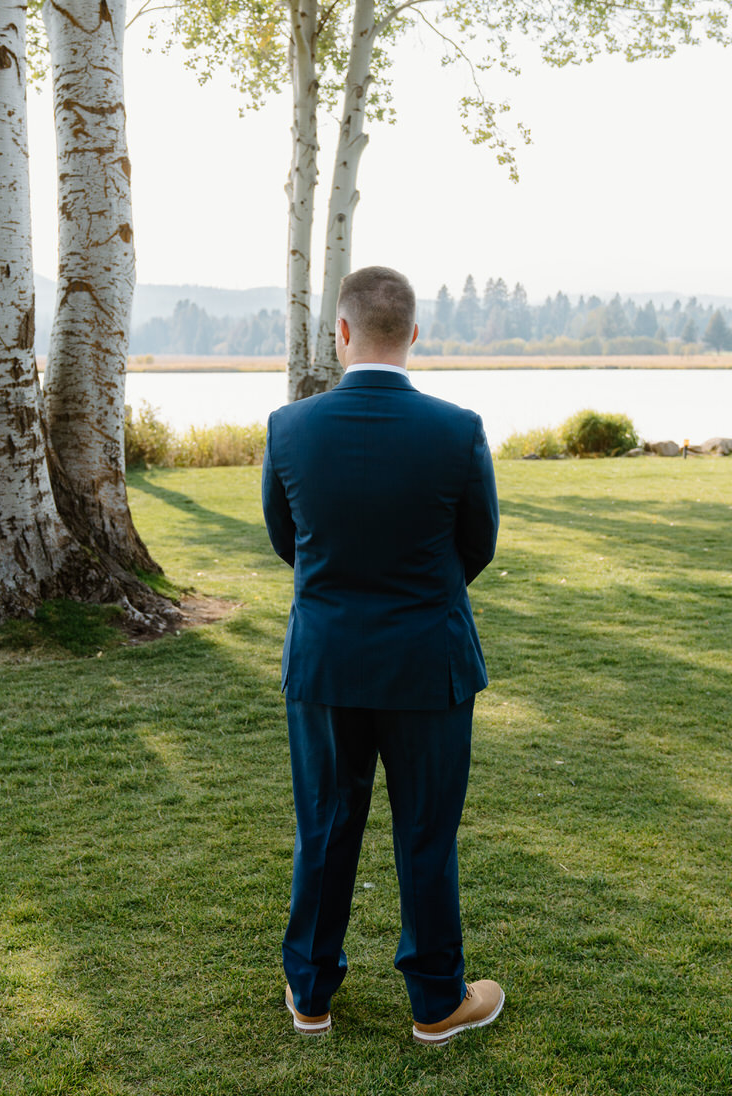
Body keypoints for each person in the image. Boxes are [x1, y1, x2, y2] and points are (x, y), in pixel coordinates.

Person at [261, 265, 503, 1045]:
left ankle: (311, 995)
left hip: (328, 659)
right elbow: (477, 545)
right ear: (414, 337)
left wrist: (342, 593)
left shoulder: (289, 428)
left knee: (326, 825)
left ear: (341, 333)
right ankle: (437, 1001)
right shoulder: (458, 428)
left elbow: (286, 542)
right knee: (426, 832)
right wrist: (417, 596)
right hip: (427, 661)